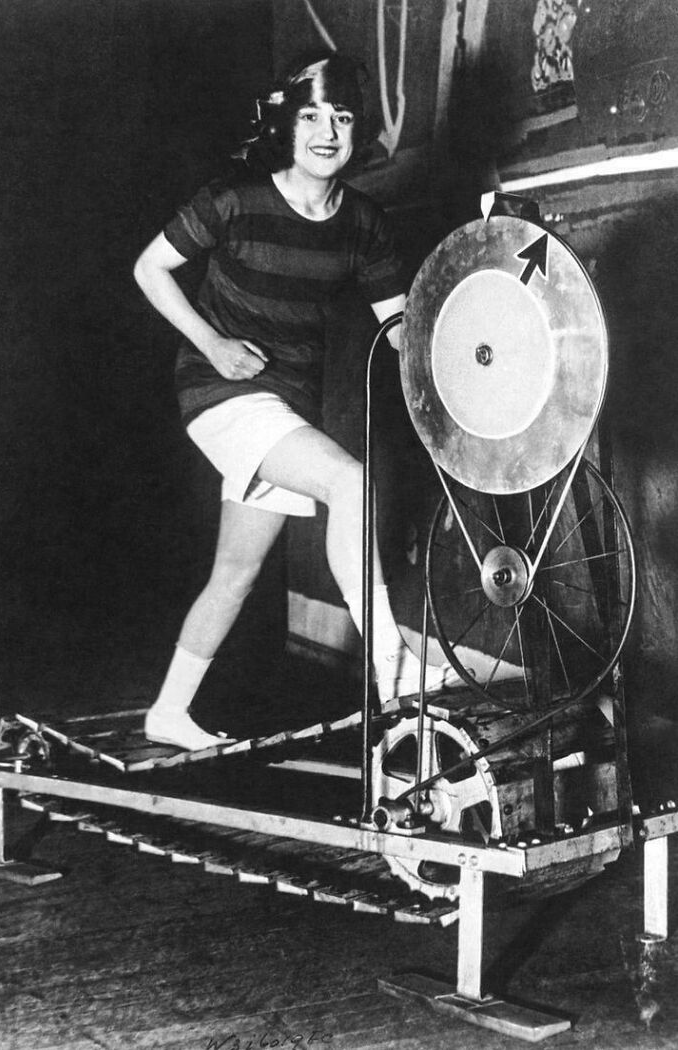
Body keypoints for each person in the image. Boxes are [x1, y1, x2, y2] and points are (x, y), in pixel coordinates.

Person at [134, 52, 461, 752]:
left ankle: (168, 710)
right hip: (221, 393)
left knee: (237, 570)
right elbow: (150, 268)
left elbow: (399, 327)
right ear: (287, 124)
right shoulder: (234, 199)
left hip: (285, 407)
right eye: (311, 115)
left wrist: (467, 358)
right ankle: (394, 670)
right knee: (350, 479)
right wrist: (213, 342)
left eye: (341, 118)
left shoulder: (362, 222)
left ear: (355, 131)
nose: (326, 131)